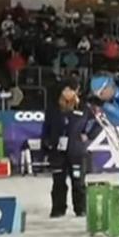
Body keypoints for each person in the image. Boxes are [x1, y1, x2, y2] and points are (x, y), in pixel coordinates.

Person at [41, 84, 94, 217]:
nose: (67, 93)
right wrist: (46, 142)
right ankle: (58, 209)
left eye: (70, 90)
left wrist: (88, 134)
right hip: (57, 151)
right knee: (58, 181)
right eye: (64, 89)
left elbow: (97, 123)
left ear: (77, 91)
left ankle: (81, 209)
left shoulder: (84, 107)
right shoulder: (53, 107)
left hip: (76, 151)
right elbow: (46, 126)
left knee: (78, 182)